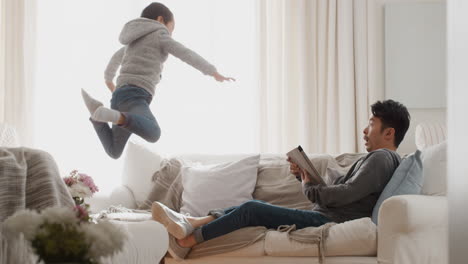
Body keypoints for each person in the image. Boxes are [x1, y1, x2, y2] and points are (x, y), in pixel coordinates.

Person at [151, 99, 411, 258]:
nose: (365, 130)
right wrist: (306, 175)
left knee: (253, 209)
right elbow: (343, 186)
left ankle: (188, 240)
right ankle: (194, 220)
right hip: (327, 213)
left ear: (389, 132)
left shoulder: (381, 159)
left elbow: (345, 194)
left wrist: (309, 186)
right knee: (252, 208)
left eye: (371, 124)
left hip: (329, 219)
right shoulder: (380, 159)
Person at [81, 2, 234, 159]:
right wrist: (212, 71)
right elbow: (186, 54)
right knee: (153, 132)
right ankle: (112, 116)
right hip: (136, 95)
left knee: (114, 151)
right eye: (171, 28)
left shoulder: (132, 41)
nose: (170, 34)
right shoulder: (160, 34)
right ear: (160, 20)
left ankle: (97, 116)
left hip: (119, 95)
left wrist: (109, 80)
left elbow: (114, 59)